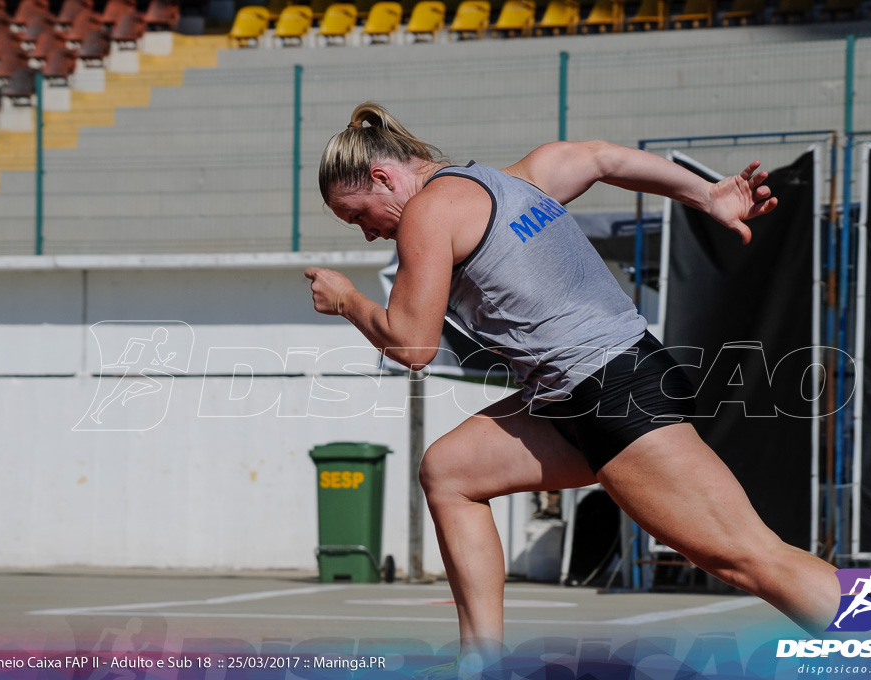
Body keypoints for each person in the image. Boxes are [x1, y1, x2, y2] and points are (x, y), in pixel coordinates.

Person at [306, 102, 840, 676]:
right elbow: (599, 157)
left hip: (614, 393)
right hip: (576, 397)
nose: (366, 233)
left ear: (384, 178)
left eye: (356, 215)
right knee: (450, 471)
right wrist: (705, 194)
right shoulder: (519, 181)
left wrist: (348, 302)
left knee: (748, 558)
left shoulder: (428, 214)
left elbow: (413, 346)